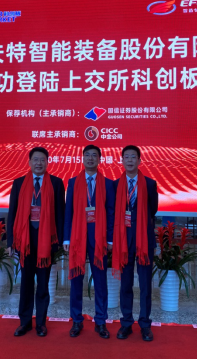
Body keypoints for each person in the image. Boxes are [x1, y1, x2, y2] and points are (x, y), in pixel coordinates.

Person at [7, 147, 65, 338]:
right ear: (29, 162)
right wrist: (10, 241)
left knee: (43, 283)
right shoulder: (18, 183)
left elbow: (60, 213)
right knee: (25, 283)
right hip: (25, 240)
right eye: (36, 160)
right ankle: (24, 322)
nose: (39, 163)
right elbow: (12, 213)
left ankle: (40, 323)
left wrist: (59, 241)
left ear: (47, 162)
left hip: (46, 241)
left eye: (42, 160)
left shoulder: (56, 183)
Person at [63, 145, 116, 339]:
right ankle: (76, 320)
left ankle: (100, 321)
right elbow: (68, 212)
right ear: (82, 158)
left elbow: (111, 213)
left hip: (99, 238)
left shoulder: (108, 184)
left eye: (94, 155)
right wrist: (66, 237)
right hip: (77, 237)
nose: (91, 158)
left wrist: (110, 239)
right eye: (87, 155)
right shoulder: (73, 182)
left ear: (100, 160)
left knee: (100, 281)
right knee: (76, 279)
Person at [112, 145, 159, 342]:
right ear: (122, 161)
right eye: (127, 157)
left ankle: (145, 324)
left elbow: (152, 209)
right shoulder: (115, 185)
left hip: (144, 240)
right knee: (126, 284)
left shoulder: (149, 184)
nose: (130, 160)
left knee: (145, 284)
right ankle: (126, 323)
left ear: (139, 161)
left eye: (133, 157)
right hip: (124, 241)